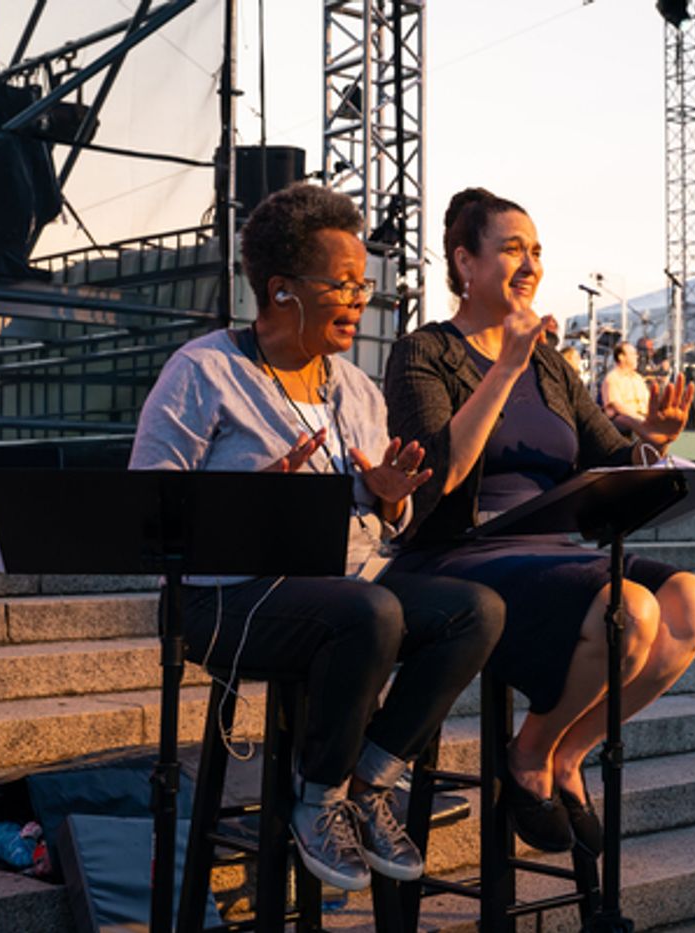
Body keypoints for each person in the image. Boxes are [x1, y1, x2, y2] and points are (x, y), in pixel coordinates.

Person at [129, 183, 504, 893]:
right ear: (281, 291)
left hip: (348, 589)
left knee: (475, 609)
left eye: (364, 283)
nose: (361, 298)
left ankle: (368, 779)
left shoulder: (357, 389)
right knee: (370, 612)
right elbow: (149, 507)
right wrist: (251, 499)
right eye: (342, 283)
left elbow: (382, 516)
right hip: (227, 600)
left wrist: (391, 499)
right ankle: (318, 798)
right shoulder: (204, 371)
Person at [382, 187, 695, 856]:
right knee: (629, 609)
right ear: (466, 264)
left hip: (550, 548)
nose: (530, 264)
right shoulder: (424, 353)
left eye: (536, 251)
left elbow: (612, 458)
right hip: (458, 552)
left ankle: (567, 752)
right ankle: (527, 756)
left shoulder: (551, 364)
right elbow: (435, 475)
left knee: (690, 603)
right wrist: (503, 366)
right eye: (512, 249)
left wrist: (653, 441)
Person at [602, 341, 653, 439]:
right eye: (633, 354)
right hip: (621, 420)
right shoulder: (613, 378)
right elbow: (617, 406)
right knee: (634, 425)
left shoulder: (638, 378)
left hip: (641, 418)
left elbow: (648, 402)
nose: (636, 356)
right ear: (621, 357)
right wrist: (639, 418)